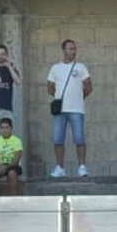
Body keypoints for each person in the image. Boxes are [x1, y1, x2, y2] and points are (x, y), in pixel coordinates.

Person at [45, 39, 92, 178]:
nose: (73, 51)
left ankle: (82, 167)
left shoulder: (81, 67)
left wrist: (78, 97)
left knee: (79, 138)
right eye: (70, 48)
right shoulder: (55, 68)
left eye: (74, 49)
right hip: (60, 110)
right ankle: (60, 167)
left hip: (77, 109)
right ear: (64, 50)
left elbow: (89, 86)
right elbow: (50, 86)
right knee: (58, 139)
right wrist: (59, 97)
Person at [0, 115, 25, 192]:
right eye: (2, 128)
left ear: (11, 128)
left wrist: (6, 167)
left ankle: (13, 199)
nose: (4, 130)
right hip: (0, 165)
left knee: (11, 173)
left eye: (7, 128)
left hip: (13, 165)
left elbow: (16, 160)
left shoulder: (17, 141)